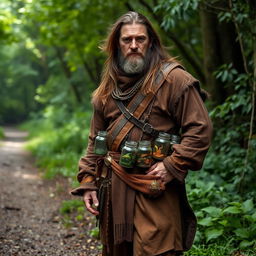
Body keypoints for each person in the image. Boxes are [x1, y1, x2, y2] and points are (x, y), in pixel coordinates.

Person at [71, 11, 212, 256]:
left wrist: (172, 164)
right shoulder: (106, 90)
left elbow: (200, 129)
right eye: (127, 40)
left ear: (151, 43)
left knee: (158, 249)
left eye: (140, 39)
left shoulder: (174, 80)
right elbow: (96, 140)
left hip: (154, 188)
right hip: (114, 190)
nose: (134, 46)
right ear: (117, 45)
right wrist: (88, 181)